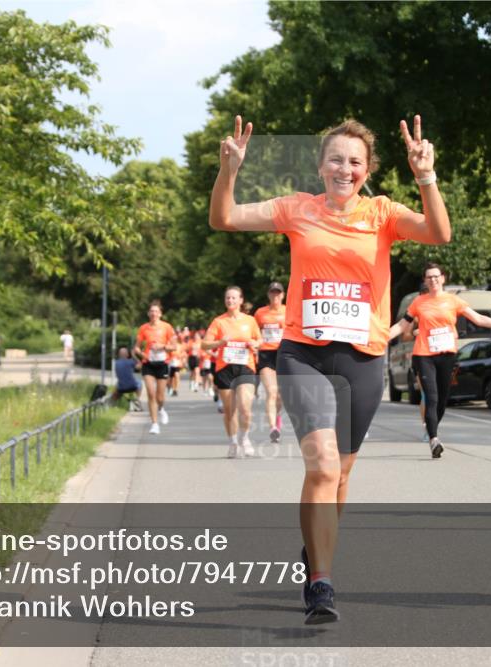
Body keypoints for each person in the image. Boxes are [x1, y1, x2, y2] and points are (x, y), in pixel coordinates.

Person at [210, 114, 451, 623]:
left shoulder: (383, 213)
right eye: (337, 159)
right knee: (320, 465)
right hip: (304, 354)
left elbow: (438, 233)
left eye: (356, 162)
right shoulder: (297, 209)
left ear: (367, 171)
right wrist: (228, 171)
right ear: (321, 166)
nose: (346, 168)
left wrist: (425, 175)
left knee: (340, 476)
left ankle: (314, 549)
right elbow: (225, 217)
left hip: (363, 358)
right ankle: (320, 582)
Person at [388, 263, 491, 457]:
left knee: (442, 400)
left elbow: (478, 319)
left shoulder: (454, 301)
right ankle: (434, 439)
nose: (433, 280)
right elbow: (402, 326)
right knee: (431, 397)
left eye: (436, 276)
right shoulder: (419, 302)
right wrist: (381, 337)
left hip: (446, 355)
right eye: (429, 277)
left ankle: (432, 426)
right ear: (425, 281)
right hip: (424, 355)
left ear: (443, 278)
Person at [203, 286, 262, 458]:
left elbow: (260, 340)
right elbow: (205, 344)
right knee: (230, 410)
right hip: (225, 369)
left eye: (234, 298)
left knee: (245, 406)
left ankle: (245, 438)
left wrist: (254, 344)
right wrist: (220, 342)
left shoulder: (250, 321)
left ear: (241, 300)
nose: (230, 301)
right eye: (228, 298)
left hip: (245, 366)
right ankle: (233, 441)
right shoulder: (219, 322)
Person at [134, 301, 177, 434]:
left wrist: (162, 347)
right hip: (148, 364)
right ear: (148, 314)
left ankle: (161, 409)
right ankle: (154, 424)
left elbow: (174, 346)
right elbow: (136, 347)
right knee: (151, 394)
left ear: (160, 314)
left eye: (156, 311)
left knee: (160, 396)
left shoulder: (167, 327)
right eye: (151, 311)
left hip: (162, 363)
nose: (154, 314)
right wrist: (141, 354)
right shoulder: (143, 328)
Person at [254, 282, 287, 443]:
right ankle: (273, 427)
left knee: (280, 396)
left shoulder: (289, 311)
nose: (275, 296)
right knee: (271, 392)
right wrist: (254, 343)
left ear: (282, 295)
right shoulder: (260, 313)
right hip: (266, 354)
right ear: (268, 295)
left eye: (278, 293)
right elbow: (254, 333)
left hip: (284, 354)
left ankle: (277, 417)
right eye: (272, 293)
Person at [112, 346, 143, 411]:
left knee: (117, 385)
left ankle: (114, 403)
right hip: (132, 387)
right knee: (140, 382)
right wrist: (134, 355)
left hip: (121, 388)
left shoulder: (116, 363)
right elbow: (140, 366)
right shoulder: (131, 361)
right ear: (128, 354)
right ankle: (137, 399)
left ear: (119, 355)